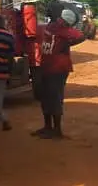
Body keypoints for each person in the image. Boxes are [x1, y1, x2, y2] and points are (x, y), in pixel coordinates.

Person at [34, 8, 87, 139]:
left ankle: (54, 130)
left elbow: (79, 36)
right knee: (50, 98)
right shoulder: (58, 27)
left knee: (52, 98)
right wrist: (68, 43)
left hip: (55, 69)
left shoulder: (57, 27)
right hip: (52, 67)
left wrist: (68, 43)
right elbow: (80, 36)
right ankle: (50, 128)